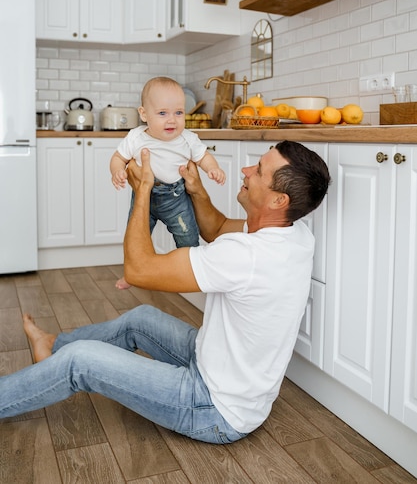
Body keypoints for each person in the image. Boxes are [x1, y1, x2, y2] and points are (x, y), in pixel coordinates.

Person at [1, 140, 330, 445]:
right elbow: (215, 229)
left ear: (278, 200)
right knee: (140, 319)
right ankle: (50, 345)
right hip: (219, 369)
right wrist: (197, 189)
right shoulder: (293, 232)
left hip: (212, 407)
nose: (245, 171)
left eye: (257, 171)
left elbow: (138, 270)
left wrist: (143, 191)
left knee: (81, 361)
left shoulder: (248, 256)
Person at [110, 76, 225, 289]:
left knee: (188, 236)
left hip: (176, 200)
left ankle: (190, 271)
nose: (172, 120)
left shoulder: (188, 138)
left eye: (178, 113)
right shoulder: (135, 137)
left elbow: (203, 157)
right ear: (144, 114)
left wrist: (213, 169)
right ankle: (130, 274)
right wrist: (117, 171)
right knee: (134, 238)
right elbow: (118, 158)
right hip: (143, 199)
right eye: (163, 113)